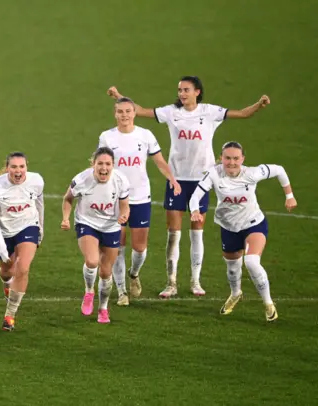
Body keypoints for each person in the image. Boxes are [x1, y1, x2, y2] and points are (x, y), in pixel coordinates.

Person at [107, 77, 271, 298]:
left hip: (202, 180)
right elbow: (141, 111)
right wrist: (119, 97)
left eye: (186, 90)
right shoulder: (171, 112)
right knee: (173, 233)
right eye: (179, 90)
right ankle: (171, 282)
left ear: (197, 91)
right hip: (176, 179)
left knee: (197, 232)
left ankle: (195, 280)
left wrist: (259, 105)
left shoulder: (210, 112)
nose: (182, 93)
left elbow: (242, 114)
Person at [189, 141, 296, 322]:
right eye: (228, 158)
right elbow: (195, 196)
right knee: (232, 269)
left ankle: (268, 304)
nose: (231, 162)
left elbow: (279, 170)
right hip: (229, 227)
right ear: (221, 158)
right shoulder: (214, 174)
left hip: (253, 223)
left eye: (236, 158)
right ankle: (235, 293)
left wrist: (289, 196)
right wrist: (194, 211)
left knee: (252, 262)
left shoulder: (252, 173)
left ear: (243, 159)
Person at [98, 97, 181, 305]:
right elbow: (102, 165)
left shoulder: (145, 135)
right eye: (120, 111)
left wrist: (172, 179)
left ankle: (133, 274)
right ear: (114, 114)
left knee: (140, 247)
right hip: (116, 198)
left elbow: (159, 160)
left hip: (141, 197)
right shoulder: (107, 137)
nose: (124, 115)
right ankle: (122, 291)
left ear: (134, 113)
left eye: (128, 111)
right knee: (118, 245)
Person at [61, 147, 130, 324]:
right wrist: (66, 218)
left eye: (108, 164)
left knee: (106, 272)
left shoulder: (121, 180)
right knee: (92, 261)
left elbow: (125, 204)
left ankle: (103, 309)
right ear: (93, 164)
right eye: (100, 163)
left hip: (111, 226)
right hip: (87, 223)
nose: (104, 168)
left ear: (113, 165)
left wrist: (124, 214)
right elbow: (68, 198)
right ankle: (89, 291)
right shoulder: (82, 179)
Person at [0, 152, 44, 331]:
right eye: (14, 167)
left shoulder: (36, 181)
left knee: (23, 268)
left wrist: (41, 229)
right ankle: (7, 285)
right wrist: (2, 248)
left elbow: (40, 205)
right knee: (6, 271)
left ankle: (9, 315)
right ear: (7, 168)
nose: (18, 171)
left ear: (27, 167)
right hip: (3, 232)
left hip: (28, 226)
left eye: (22, 167)